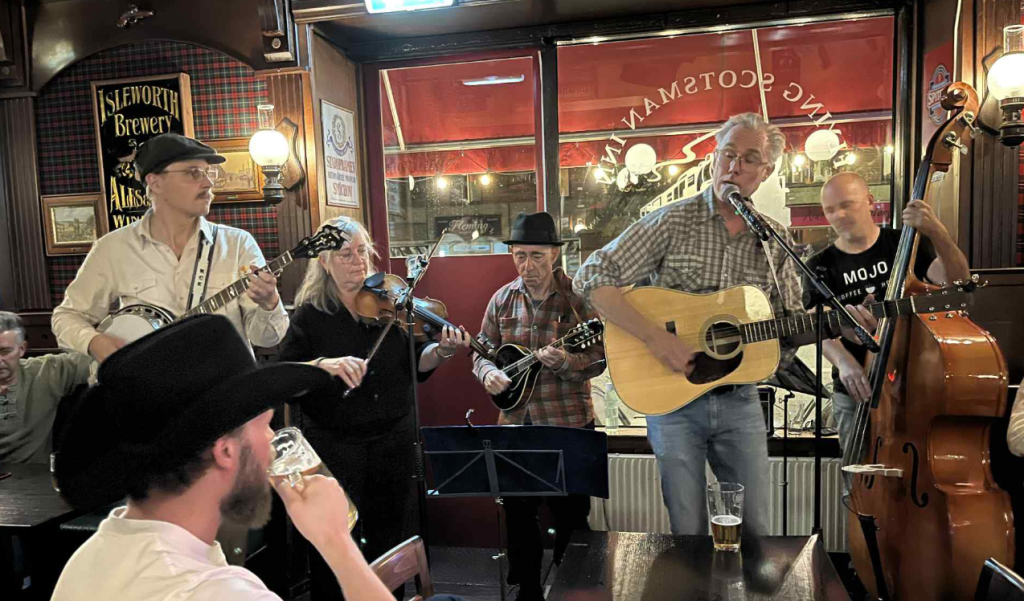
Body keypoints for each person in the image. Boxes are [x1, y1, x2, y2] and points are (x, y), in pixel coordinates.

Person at [49, 314, 465, 601]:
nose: (273, 442)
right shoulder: (217, 592)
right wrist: (336, 541)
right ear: (226, 450)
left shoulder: (91, 555)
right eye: (265, 426)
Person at [572, 113, 803, 537]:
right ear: (714, 158)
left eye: (749, 159)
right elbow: (591, 276)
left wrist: (831, 327)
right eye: (728, 154)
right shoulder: (673, 221)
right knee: (688, 531)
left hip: (740, 400)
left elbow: (788, 323)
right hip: (673, 401)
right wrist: (655, 338)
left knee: (755, 529)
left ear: (766, 172)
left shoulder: (773, 240)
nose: (734, 166)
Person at [277, 217, 471, 601]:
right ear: (324, 262)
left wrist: (442, 351)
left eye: (363, 251)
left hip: (393, 438)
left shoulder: (393, 303)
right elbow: (286, 375)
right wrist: (324, 367)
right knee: (337, 541)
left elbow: (418, 361)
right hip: (335, 443)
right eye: (345, 254)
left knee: (391, 536)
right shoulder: (311, 315)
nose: (358, 261)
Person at [52, 133, 287, 365]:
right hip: (149, 385)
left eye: (209, 172)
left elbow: (266, 339)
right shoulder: (113, 248)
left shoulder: (237, 244)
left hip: (225, 383)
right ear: (155, 183)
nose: (208, 182)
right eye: (194, 172)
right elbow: (67, 316)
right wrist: (94, 342)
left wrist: (269, 303)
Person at [472, 211, 605, 601]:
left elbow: (599, 359)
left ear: (554, 255)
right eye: (520, 256)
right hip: (516, 425)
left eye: (536, 256)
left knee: (572, 517)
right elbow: (481, 350)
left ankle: (573, 591)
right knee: (518, 515)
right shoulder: (501, 300)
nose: (527, 266)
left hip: (569, 423)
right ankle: (527, 591)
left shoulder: (578, 299)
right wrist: (486, 373)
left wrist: (564, 361)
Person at [803, 171, 970, 456]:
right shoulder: (819, 265)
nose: (839, 215)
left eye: (847, 205)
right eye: (830, 210)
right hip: (856, 389)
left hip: (913, 380)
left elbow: (957, 281)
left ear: (870, 201)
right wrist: (845, 363)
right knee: (856, 475)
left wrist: (937, 232)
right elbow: (817, 327)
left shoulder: (905, 244)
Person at [0, 311, 90, 464]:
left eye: (5, 351)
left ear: (21, 349)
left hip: (35, 476)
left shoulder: (46, 372)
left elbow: (103, 358)